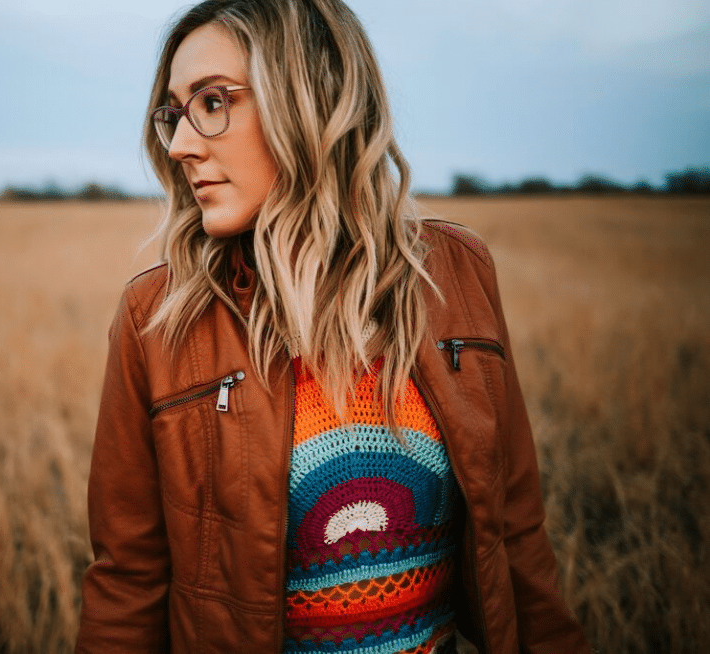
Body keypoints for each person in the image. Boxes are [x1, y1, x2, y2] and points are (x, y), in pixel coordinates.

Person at [75, 0, 590, 652]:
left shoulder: (457, 275)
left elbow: (517, 544)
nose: (178, 144)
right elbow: (127, 587)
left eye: (211, 103)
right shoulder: (156, 320)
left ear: (308, 98)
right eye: (174, 113)